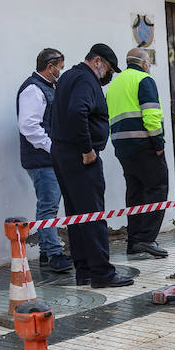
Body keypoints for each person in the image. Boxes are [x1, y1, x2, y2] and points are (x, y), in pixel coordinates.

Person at [48, 43, 132, 288]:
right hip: (80, 156)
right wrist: (87, 150)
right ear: (98, 61)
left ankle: (84, 270)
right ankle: (102, 274)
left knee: (77, 215)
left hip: (62, 152)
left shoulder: (68, 77)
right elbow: (77, 111)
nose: (108, 76)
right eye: (108, 70)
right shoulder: (85, 80)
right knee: (93, 215)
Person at [106, 47, 169, 258]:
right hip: (145, 145)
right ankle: (147, 239)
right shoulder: (143, 79)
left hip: (123, 148)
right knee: (157, 188)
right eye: (149, 63)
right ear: (143, 63)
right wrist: (158, 143)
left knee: (135, 193)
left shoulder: (115, 84)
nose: (149, 66)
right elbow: (151, 114)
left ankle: (134, 241)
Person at [16, 48, 73, 273]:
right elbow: (29, 126)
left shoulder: (48, 87)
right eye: (61, 66)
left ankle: (45, 253)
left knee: (50, 204)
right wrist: (53, 148)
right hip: (41, 158)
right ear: (51, 67)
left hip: (47, 157)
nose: (62, 70)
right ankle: (53, 254)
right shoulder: (33, 89)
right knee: (48, 206)